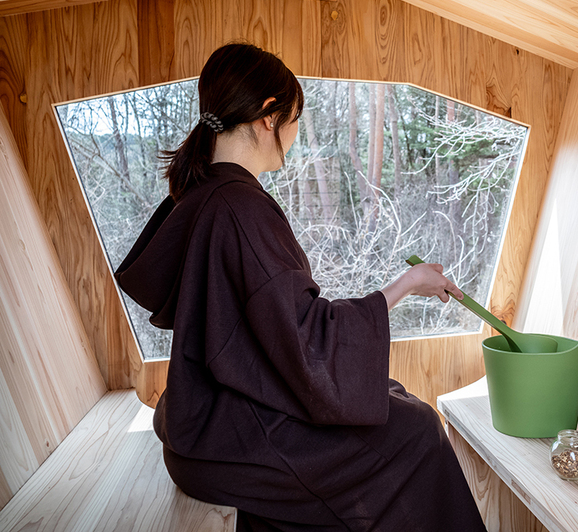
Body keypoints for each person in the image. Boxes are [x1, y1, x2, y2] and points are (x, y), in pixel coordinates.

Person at [115, 43, 487, 532]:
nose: (296, 132)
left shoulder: (203, 194)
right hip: (227, 439)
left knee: (391, 395)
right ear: (269, 117)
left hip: (199, 420)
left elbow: (273, 331)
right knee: (417, 431)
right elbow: (308, 341)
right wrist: (406, 284)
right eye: (294, 118)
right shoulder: (239, 208)